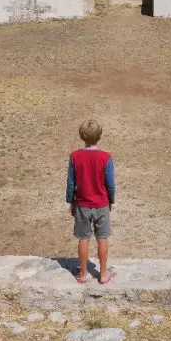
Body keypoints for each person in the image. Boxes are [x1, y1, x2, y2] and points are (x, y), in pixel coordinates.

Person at [66, 119, 116, 285]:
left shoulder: (75, 157)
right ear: (100, 136)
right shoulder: (105, 157)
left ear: (81, 136)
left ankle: (82, 273)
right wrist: (111, 200)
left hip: (82, 204)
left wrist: (71, 202)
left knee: (83, 239)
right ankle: (102, 274)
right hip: (101, 204)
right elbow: (110, 183)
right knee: (102, 238)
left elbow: (71, 183)